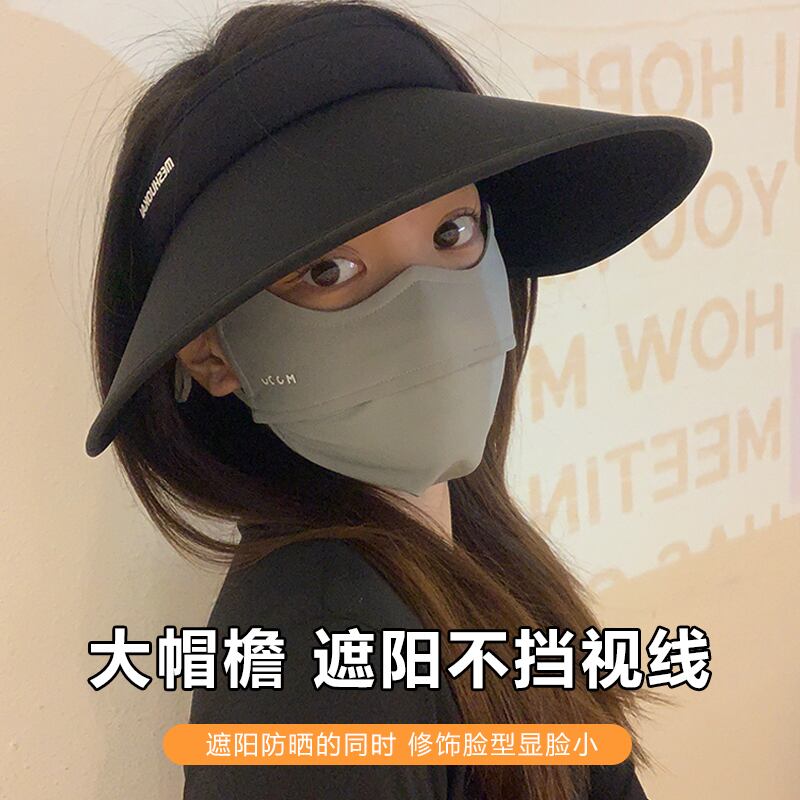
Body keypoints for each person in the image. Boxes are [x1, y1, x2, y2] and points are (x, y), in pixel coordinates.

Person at [84, 2, 713, 799]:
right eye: (329, 270)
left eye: (452, 232)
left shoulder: (465, 560)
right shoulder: (316, 661)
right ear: (212, 353)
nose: (430, 315)